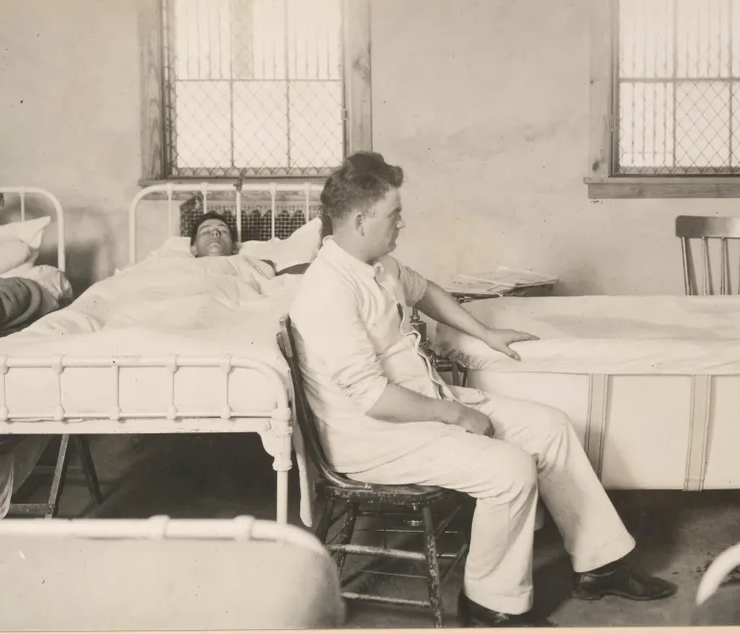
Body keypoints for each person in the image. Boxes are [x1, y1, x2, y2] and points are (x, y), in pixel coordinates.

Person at [288, 152, 676, 627]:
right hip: (371, 436)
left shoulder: (376, 263)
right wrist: (455, 416)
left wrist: (484, 334)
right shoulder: (327, 289)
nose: (401, 223)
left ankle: (600, 564)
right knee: (509, 470)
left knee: (549, 427)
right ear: (361, 218)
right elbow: (373, 400)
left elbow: (424, 289)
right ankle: (489, 604)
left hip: (418, 406)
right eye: (394, 215)